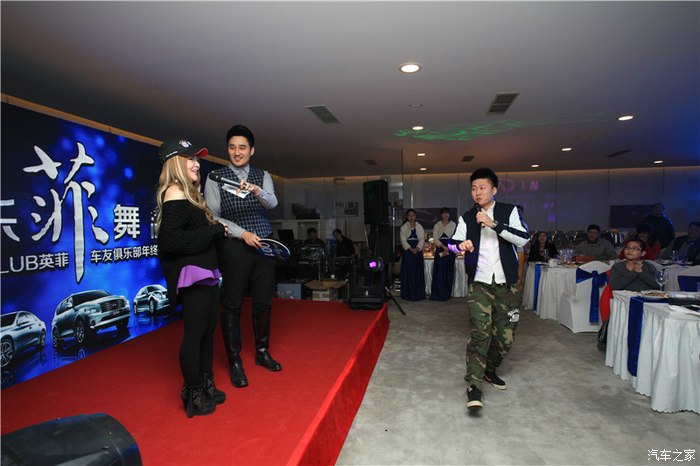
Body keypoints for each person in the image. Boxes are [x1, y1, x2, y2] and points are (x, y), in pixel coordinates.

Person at [204, 124, 282, 389]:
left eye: (242, 147)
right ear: (227, 149)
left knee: (263, 302)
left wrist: (257, 190)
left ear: (251, 150)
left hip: (264, 243)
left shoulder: (262, 175)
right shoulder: (215, 177)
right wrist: (242, 234)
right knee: (232, 303)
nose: (237, 152)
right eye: (232, 147)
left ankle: (262, 351)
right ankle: (234, 360)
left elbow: (272, 203)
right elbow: (213, 215)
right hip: (234, 245)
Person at [156, 138, 227, 417]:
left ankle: (206, 383)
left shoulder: (189, 194)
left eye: (197, 159)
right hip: (191, 273)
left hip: (205, 270)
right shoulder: (175, 192)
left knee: (207, 330)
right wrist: (213, 230)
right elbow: (171, 241)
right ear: (176, 163)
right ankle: (193, 391)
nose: (197, 164)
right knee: (195, 333)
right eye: (191, 159)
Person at [451, 167, 530, 411]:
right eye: (473, 188)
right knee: (480, 333)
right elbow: (452, 244)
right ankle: (474, 385)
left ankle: (490, 369)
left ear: (494, 189)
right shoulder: (467, 217)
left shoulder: (509, 211)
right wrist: (460, 246)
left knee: (506, 337)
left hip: (507, 285)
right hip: (480, 283)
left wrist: (493, 223)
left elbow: (523, 238)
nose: (477, 192)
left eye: (482, 187)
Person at [430, 207, 456, 301]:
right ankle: (438, 294)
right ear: (441, 215)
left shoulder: (453, 224)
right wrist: (443, 247)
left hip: (450, 250)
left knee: (448, 272)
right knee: (439, 272)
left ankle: (446, 294)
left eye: (447, 213)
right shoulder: (437, 225)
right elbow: (435, 238)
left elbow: (455, 237)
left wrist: (448, 249)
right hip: (440, 249)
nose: (446, 215)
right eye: (444, 213)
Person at [399, 208, 425, 301]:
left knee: (417, 272)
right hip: (408, 252)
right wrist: (410, 249)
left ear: (415, 216)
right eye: (409, 215)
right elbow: (403, 240)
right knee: (408, 272)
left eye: (412, 215)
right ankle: (408, 294)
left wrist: (417, 248)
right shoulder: (403, 227)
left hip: (417, 252)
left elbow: (422, 239)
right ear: (407, 217)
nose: (411, 217)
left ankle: (418, 294)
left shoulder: (419, 226)